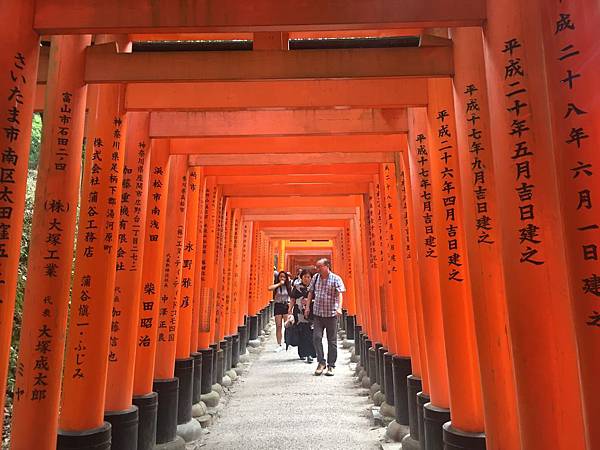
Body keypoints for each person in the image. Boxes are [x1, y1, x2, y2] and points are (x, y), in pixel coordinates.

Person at [306, 258, 345, 376]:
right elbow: (310, 292)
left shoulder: (336, 278)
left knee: (331, 340)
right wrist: (307, 307)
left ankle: (331, 365)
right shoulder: (315, 278)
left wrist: (339, 308)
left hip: (331, 314)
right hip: (318, 314)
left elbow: (340, 294)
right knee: (316, 338)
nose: (317, 269)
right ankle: (321, 362)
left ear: (327, 266)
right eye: (317, 267)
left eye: (319, 266)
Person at [290, 269, 316, 363]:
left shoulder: (314, 288)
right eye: (305, 277)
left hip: (311, 312)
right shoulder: (297, 287)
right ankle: (302, 353)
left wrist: (310, 301)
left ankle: (310, 354)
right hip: (299, 312)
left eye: (308, 277)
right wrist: (289, 310)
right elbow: (292, 299)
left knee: (309, 333)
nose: (306, 279)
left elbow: (318, 299)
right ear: (301, 277)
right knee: (301, 332)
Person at [268, 271, 292, 352]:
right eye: (281, 276)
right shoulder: (276, 286)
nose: (282, 278)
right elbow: (269, 288)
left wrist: (290, 308)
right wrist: (279, 284)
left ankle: (287, 342)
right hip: (278, 306)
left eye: (284, 277)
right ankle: (279, 344)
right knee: (278, 326)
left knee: (287, 325)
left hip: (286, 306)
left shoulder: (288, 286)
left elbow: (292, 296)